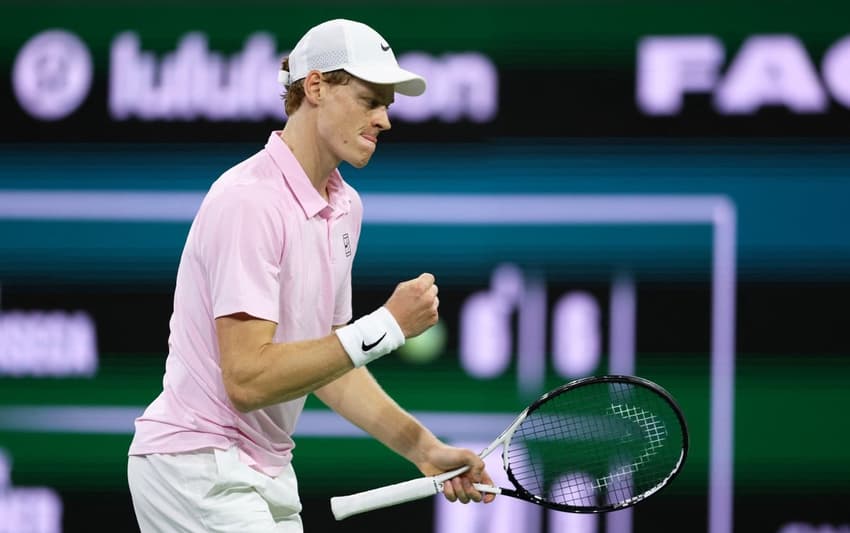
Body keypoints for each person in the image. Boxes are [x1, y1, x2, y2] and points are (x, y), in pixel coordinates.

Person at [126, 18, 495, 532]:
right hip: (200, 466)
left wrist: (423, 448)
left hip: (266, 470)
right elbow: (247, 379)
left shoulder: (346, 206)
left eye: (388, 104)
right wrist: (386, 326)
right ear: (316, 86)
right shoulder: (250, 200)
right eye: (371, 100)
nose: (385, 120)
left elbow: (330, 362)